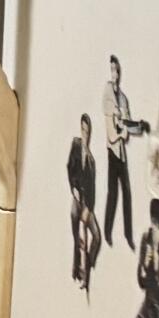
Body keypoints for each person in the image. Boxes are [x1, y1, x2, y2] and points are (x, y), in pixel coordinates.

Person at [102, 56, 147, 250]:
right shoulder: (107, 94)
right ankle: (107, 231)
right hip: (112, 150)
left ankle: (128, 235)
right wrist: (121, 130)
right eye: (112, 70)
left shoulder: (123, 98)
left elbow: (127, 123)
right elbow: (113, 129)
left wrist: (139, 127)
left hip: (121, 152)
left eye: (117, 70)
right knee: (113, 193)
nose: (115, 74)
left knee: (126, 192)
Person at [67, 115, 100, 285]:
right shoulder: (75, 144)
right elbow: (70, 168)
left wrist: (89, 209)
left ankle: (88, 263)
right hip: (76, 199)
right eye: (83, 130)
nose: (84, 134)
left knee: (96, 236)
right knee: (78, 238)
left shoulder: (92, 161)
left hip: (87, 205)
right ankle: (79, 272)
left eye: (87, 132)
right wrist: (73, 189)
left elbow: (93, 191)